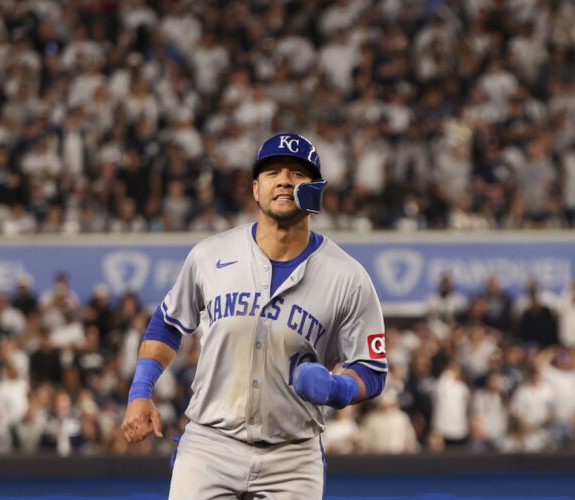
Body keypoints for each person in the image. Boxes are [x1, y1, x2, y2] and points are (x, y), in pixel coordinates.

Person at [120, 133, 388, 499]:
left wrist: (336, 388)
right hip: (210, 444)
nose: (283, 180)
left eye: (296, 173)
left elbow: (372, 369)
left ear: (315, 189)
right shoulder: (210, 255)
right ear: (255, 188)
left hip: (293, 456)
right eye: (272, 172)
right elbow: (168, 323)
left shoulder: (348, 276)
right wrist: (140, 391)